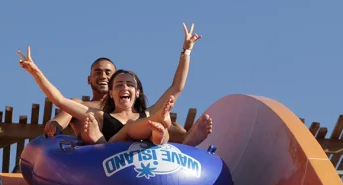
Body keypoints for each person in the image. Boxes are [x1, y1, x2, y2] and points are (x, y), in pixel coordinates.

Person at [18, 22, 213, 146]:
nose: (124, 88)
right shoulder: (101, 116)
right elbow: (59, 100)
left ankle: (167, 135)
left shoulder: (147, 112)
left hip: (149, 153)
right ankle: (161, 127)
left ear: (137, 93)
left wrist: (186, 51)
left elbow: (176, 87)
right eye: (118, 85)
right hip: (110, 158)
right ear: (111, 93)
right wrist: (36, 72)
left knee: (157, 123)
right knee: (131, 128)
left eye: (129, 85)